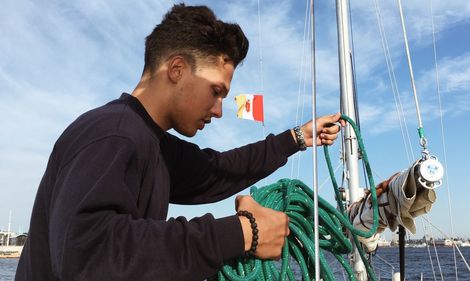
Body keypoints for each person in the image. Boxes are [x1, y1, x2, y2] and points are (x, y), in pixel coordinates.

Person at [15, 3, 344, 281]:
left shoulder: (154, 145)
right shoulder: (111, 133)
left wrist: (297, 138)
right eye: (216, 92)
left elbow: (218, 171)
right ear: (177, 69)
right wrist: (244, 233)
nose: (218, 110)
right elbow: (87, 254)